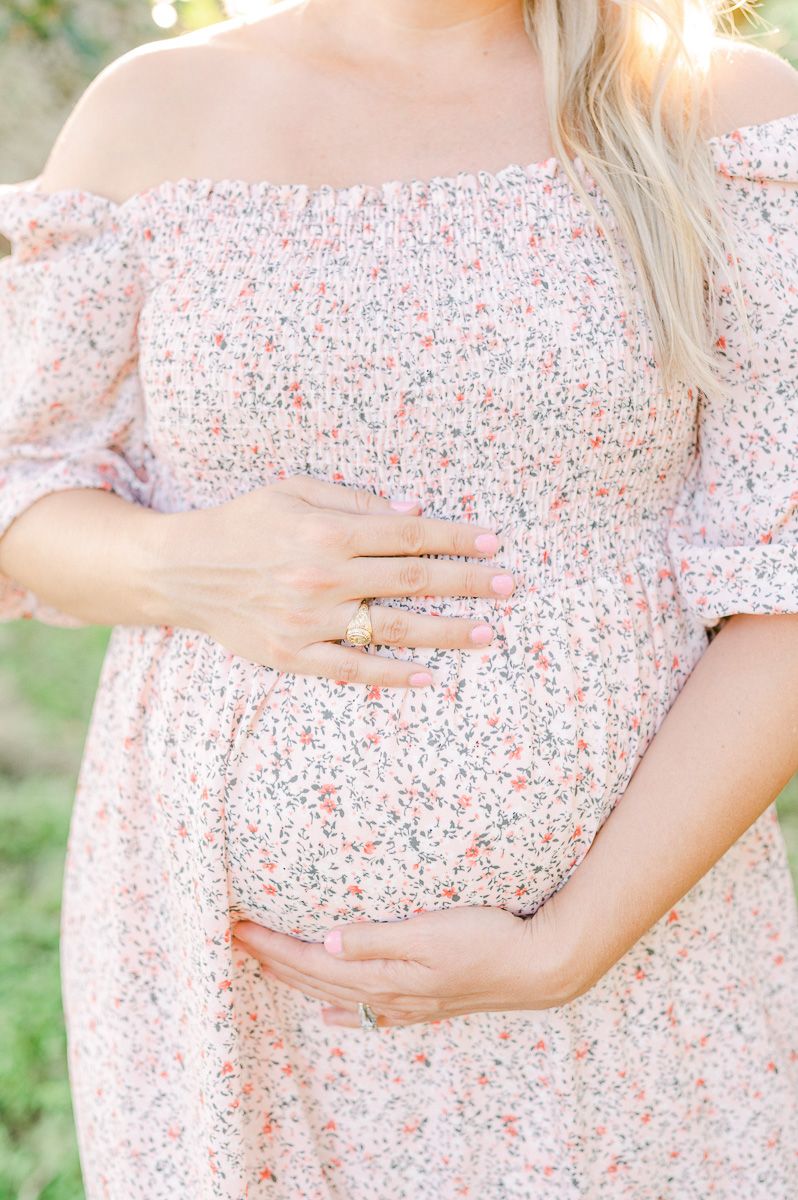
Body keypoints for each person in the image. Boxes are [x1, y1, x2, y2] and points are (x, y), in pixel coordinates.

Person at [1, 0, 797, 1195]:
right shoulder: (155, 112)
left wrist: (566, 947)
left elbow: (788, 578)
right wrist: (187, 566)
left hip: (641, 963)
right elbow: (23, 484)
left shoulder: (718, 113)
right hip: (238, 993)